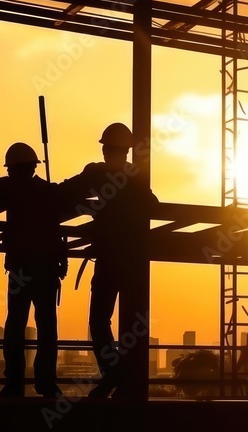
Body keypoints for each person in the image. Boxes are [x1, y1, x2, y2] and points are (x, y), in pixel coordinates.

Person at [0, 142, 67, 398]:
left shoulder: (14, 188)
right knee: (46, 328)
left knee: (16, 325)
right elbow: (57, 229)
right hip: (45, 269)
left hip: (23, 268)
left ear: (16, 169)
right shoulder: (46, 192)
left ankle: (16, 383)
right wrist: (62, 261)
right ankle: (46, 383)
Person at [58, 122, 157, 398]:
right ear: (125, 150)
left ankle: (114, 375)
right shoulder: (136, 176)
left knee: (100, 320)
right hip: (133, 259)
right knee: (132, 322)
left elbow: (67, 190)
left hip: (111, 257)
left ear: (106, 148)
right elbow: (153, 204)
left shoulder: (98, 173)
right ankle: (125, 379)